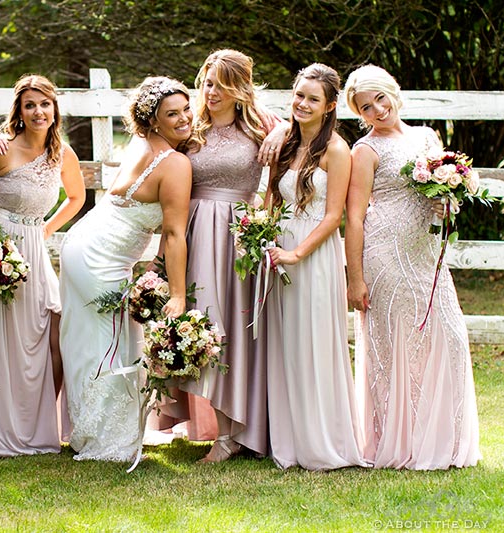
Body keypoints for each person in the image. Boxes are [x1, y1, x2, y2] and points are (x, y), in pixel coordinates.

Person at [344, 64, 480, 469]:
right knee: (398, 341)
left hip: (424, 251)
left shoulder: (426, 136)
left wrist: (447, 201)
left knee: (450, 334)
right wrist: (355, 277)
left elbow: (443, 190)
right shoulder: (364, 150)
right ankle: (399, 441)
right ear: (360, 115)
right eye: (365, 107)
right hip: (385, 253)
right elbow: (354, 217)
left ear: (393, 93)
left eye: (380, 99)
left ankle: (445, 439)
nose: (377, 110)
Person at [60, 76, 192, 462]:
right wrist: (179, 294)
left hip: (84, 244)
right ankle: (107, 441)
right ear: (153, 120)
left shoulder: (143, 143)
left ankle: (92, 431)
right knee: (110, 344)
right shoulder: (176, 163)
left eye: (187, 109)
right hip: (101, 259)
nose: (184, 118)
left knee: (90, 343)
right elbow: (173, 233)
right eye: (173, 114)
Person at [0, 74, 85, 458]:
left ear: (55, 108)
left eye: (45, 104)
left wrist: (44, 230)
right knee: (2, 339)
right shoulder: (0, 150)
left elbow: (76, 197)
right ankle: (4, 427)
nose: (38, 111)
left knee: (52, 331)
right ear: (20, 111)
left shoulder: (64, 154)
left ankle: (38, 420)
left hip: (32, 247)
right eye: (30, 105)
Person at [264, 63, 367, 470]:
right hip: (278, 248)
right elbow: (272, 196)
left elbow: (333, 216)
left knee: (313, 342)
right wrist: (262, 234)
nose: (302, 104)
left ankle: (323, 441)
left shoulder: (336, 150)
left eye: (312, 99)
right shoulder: (285, 142)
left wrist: (297, 253)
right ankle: (287, 441)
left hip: (314, 253)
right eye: (299, 95)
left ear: (329, 107)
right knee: (286, 342)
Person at [177, 49, 275, 462]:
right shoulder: (189, 128)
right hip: (196, 231)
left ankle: (238, 431)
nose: (210, 90)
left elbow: (308, 132)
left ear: (240, 88)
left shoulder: (262, 128)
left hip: (240, 234)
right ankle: (218, 429)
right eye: (207, 81)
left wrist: (279, 133)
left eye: (220, 83)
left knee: (236, 325)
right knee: (206, 320)